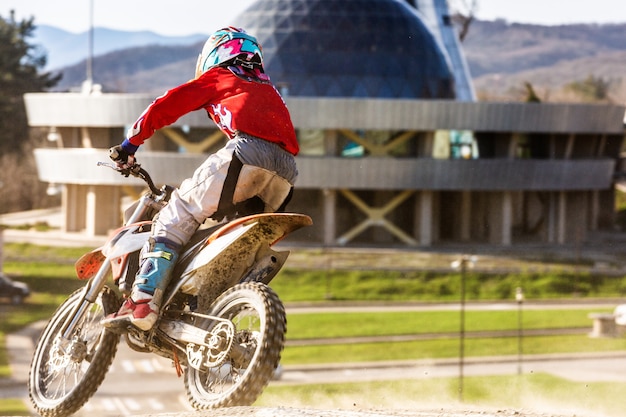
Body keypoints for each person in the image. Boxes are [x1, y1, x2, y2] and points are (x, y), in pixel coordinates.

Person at [102, 27, 299, 332]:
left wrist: (130, 145)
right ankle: (208, 311)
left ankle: (142, 301)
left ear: (218, 54)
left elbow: (167, 104)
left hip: (247, 154)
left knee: (175, 214)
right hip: (286, 171)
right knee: (221, 233)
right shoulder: (268, 89)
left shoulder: (221, 77)